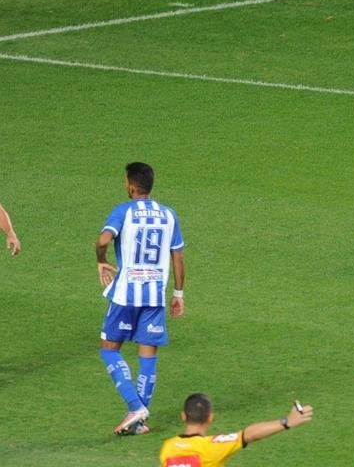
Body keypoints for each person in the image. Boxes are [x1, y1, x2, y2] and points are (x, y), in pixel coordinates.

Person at [96, 162, 185, 435]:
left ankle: (135, 407)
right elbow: (178, 255)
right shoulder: (169, 215)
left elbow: (103, 240)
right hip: (155, 295)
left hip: (126, 294)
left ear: (132, 186)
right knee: (148, 356)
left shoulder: (123, 211)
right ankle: (139, 422)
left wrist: (101, 260)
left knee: (109, 349)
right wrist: (178, 293)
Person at [159, 393, 314, 466]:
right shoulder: (211, 447)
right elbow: (249, 435)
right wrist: (287, 422)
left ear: (183, 416)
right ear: (210, 418)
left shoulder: (168, 447)